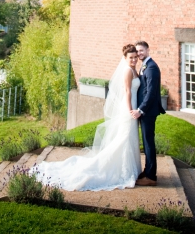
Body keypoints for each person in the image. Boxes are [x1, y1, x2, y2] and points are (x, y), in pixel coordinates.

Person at [32, 44, 142, 191]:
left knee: (129, 138)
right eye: (131, 58)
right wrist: (130, 111)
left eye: (135, 57)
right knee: (124, 138)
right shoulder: (128, 71)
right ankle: (121, 170)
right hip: (128, 108)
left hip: (133, 107)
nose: (134, 60)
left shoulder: (134, 69)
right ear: (125, 58)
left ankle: (130, 170)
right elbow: (127, 92)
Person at [131, 40, 165, 186]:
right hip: (146, 112)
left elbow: (151, 93)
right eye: (137, 51)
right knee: (146, 143)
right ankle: (147, 170)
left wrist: (140, 110)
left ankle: (151, 177)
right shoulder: (145, 66)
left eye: (141, 50)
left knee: (149, 143)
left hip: (148, 112)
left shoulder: (151, 68)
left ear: (148, 50)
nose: (139, 53)